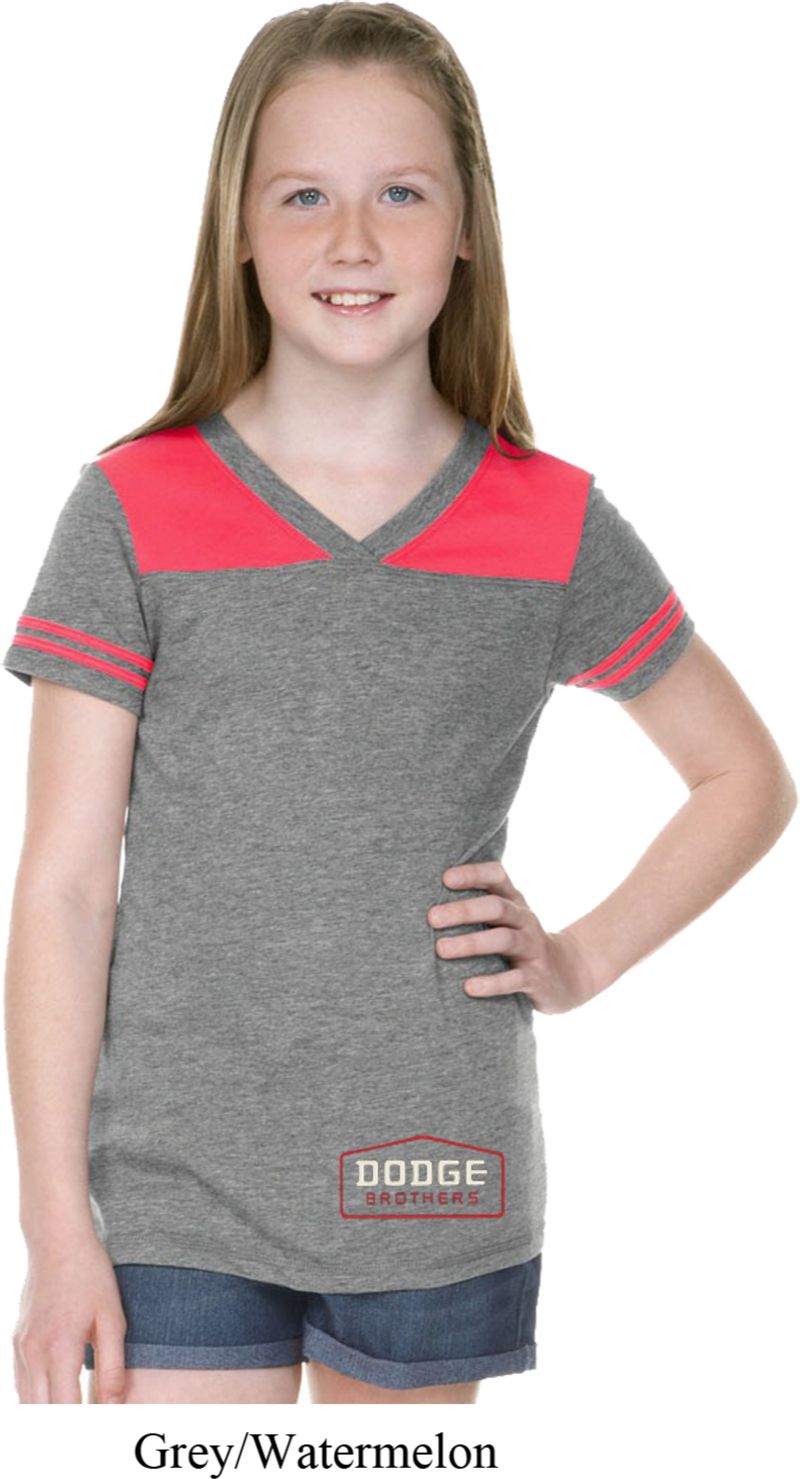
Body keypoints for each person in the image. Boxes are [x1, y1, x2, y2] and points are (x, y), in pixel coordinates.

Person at [3, 1, 795, 1408]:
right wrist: (56, 1230)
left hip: (434, 1171)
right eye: (304, 196)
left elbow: (745, 779)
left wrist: (581, 959)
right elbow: (63, 890)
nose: (354, 242)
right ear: (240, 228)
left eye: (403, 194)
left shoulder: (552, 524)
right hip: (174, 1188)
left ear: (466, 226)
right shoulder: (129, 507)